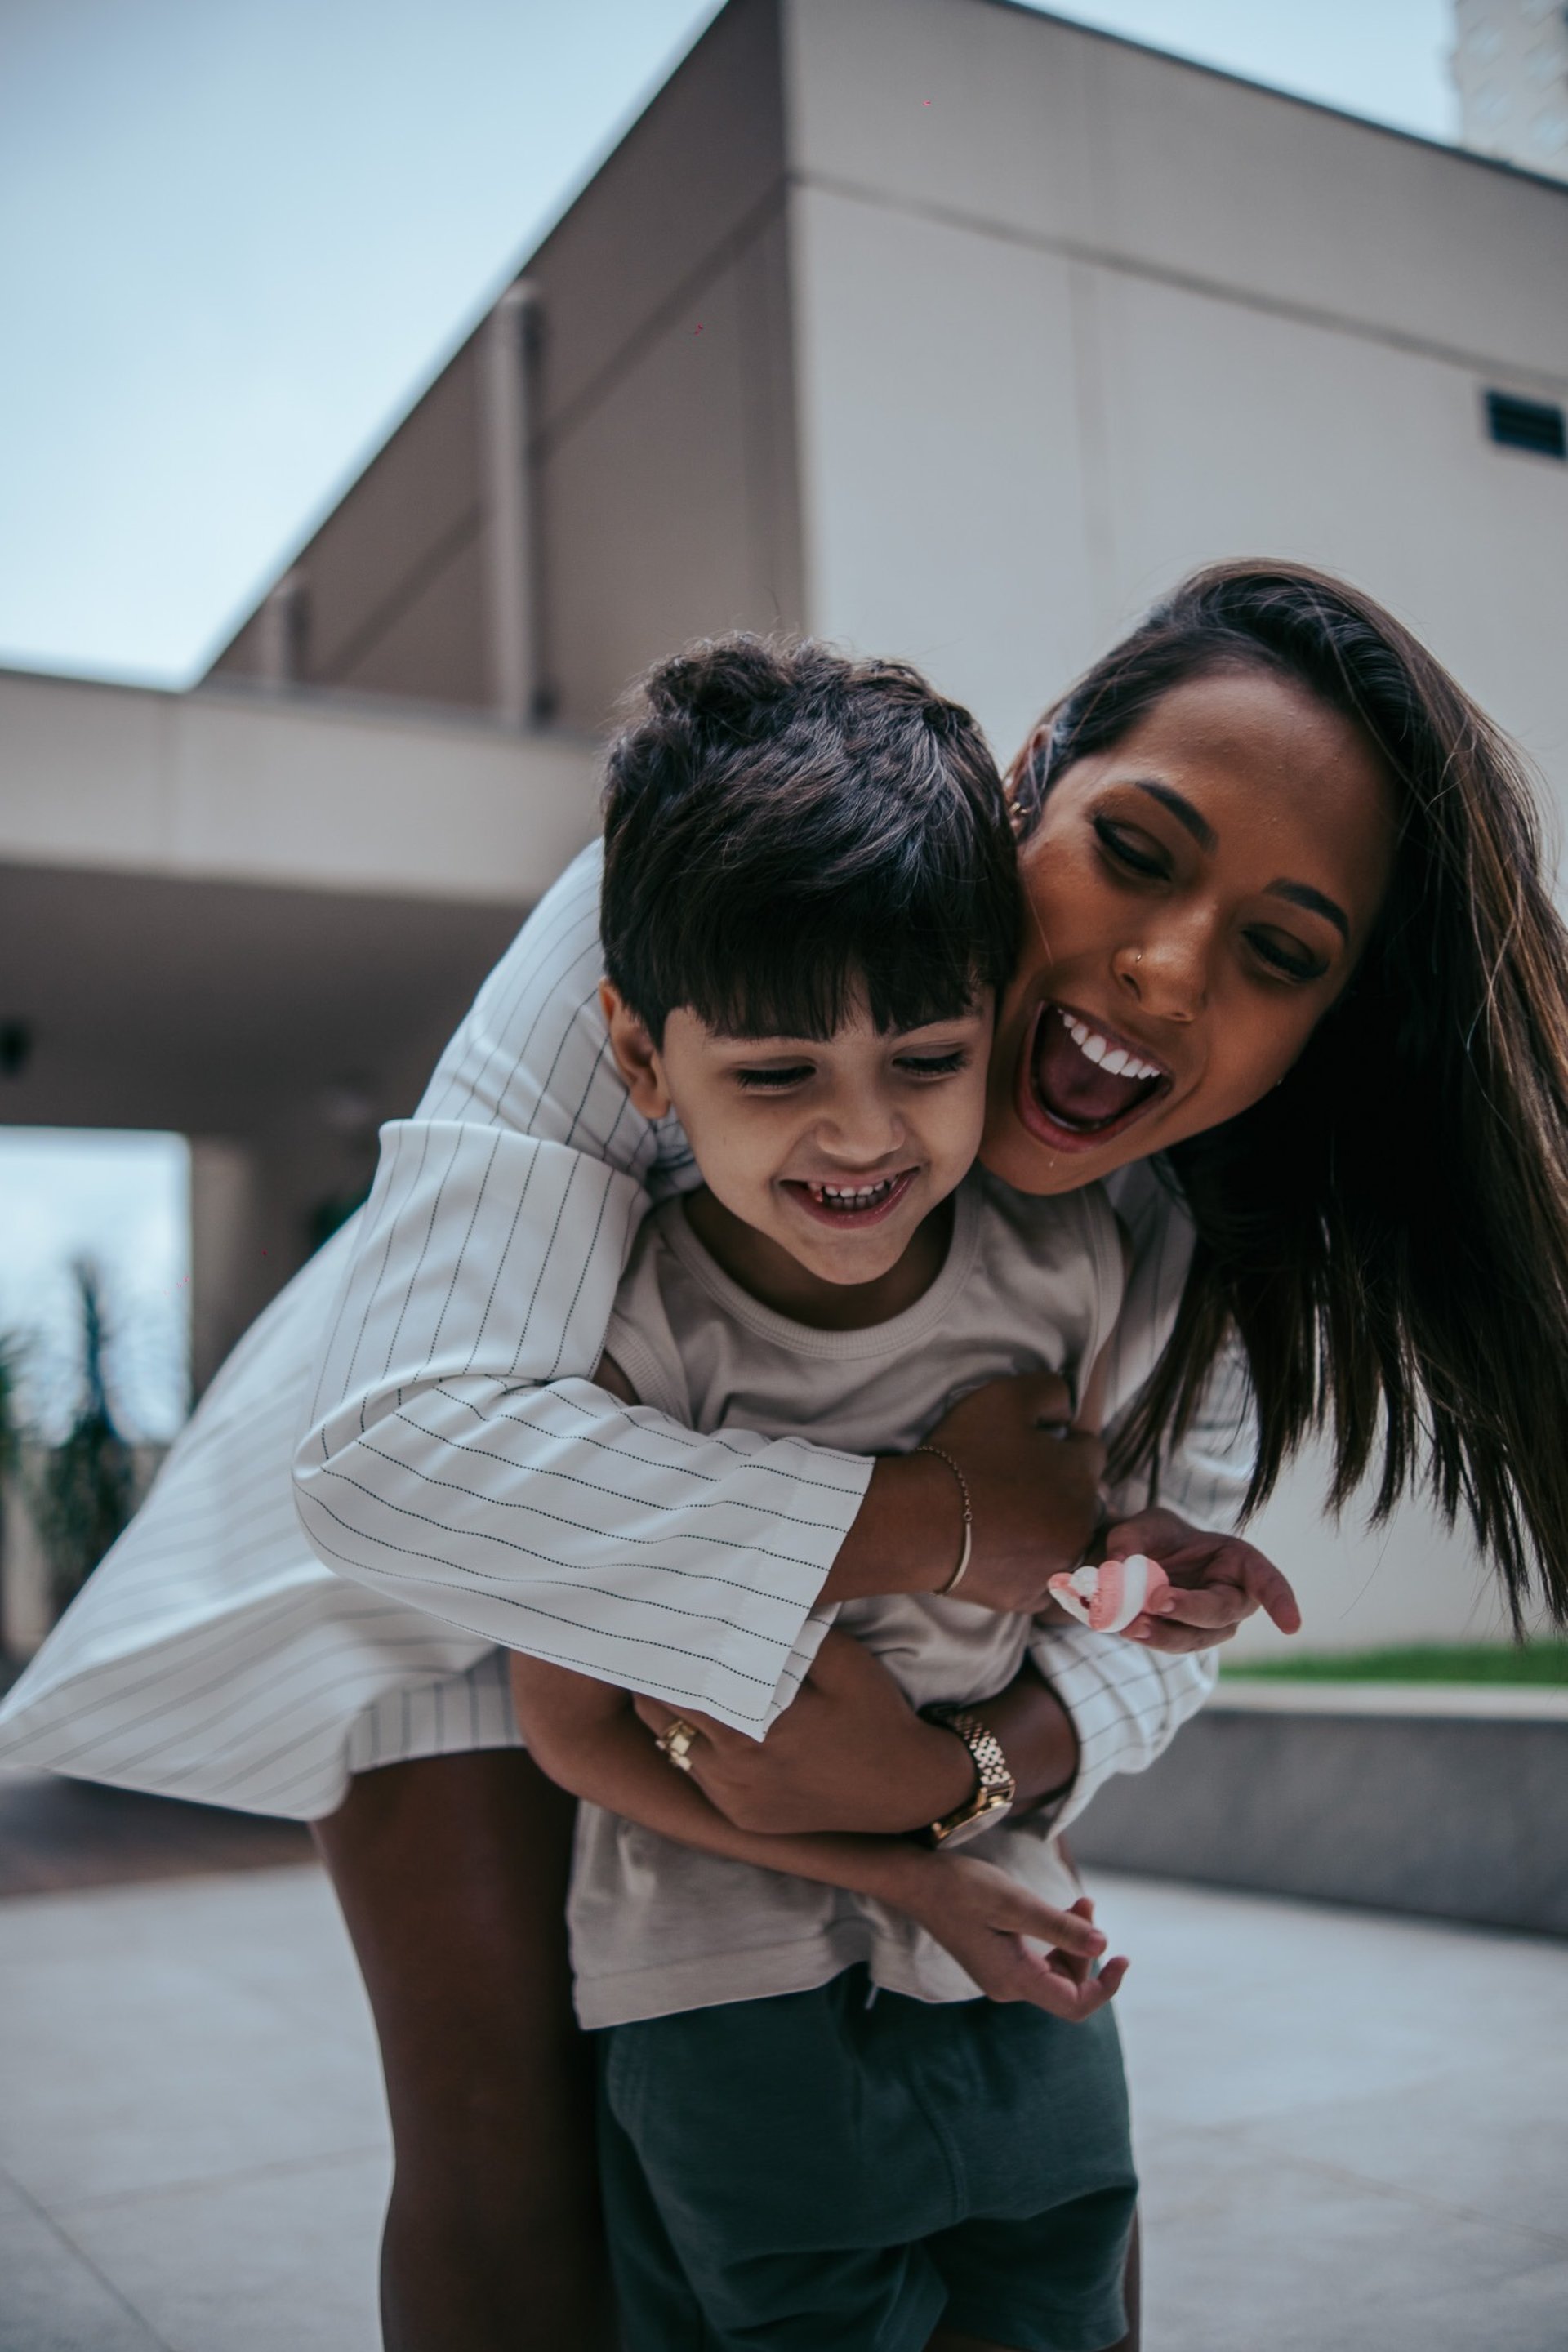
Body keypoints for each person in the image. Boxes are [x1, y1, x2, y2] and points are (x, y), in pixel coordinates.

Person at [5, 563, 1566, 2352]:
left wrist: (954, 1776)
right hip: (465, 1568)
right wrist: (954, 1523)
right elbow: (402, 1466)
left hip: (902, 1693)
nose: (1164, 963)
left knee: (1033, 2166)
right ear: (1034, 776)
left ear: (1324, 1015)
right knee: (509, 2153)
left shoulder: (1216, 1212)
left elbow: (1159, 1612)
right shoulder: (714, 888)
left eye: (1279, 951)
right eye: (1136, 851)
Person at [508, 631, 1171, 2352]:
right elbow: (574, 1730)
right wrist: (909, 1871)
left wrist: (1154, 1565)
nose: (861, 1135)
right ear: (646, 1065)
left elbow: (1075, 1579)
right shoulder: (629, 1329)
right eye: (777, 1074)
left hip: (1023, 1956)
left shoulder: (1066, 1272)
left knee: (1067, 2311)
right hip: (719, 1994)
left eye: (931, 1059)